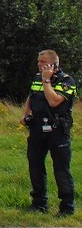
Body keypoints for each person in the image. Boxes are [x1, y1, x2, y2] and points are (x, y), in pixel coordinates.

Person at [20, 49, 76, 216]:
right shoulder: (37, 78)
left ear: (54, 64)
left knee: (61, 169)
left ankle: (67, 208)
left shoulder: (67, 81)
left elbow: (53, 101)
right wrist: (26, 114)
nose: (39, 65)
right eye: (39, 62)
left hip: (57, 130)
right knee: (35, 166)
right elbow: (31, 96)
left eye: (42, 62)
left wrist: (47, 80)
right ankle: (39, 204)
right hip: (37, 128)